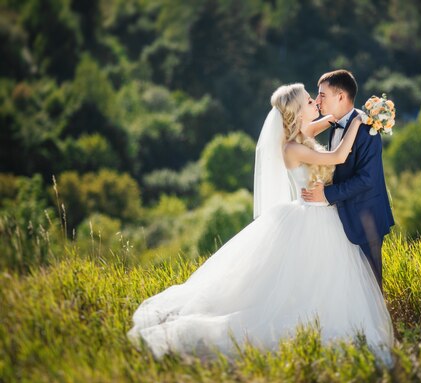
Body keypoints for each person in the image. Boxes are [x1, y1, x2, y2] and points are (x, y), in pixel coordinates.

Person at [127, 83, 394, 362]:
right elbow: (338, 157)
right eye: (308, 101)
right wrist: (361, 121)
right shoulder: (293, 148)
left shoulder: (301, 135)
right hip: (313, 216)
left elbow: (319, 125)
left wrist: (346, 116)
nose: (315, 102)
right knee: (318, 277)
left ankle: (319, 317)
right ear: (296, 111)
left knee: (317, 278)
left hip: (320, 213)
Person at [302, 69, 395, 290]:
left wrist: (326, 194)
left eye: (322, 95)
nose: (317, 101)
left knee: (371, 287)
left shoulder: (367, 130)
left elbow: (367, 179)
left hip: (366, 218)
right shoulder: (334, 124)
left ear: (341, 96)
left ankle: (381, 326)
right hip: (340, 217)